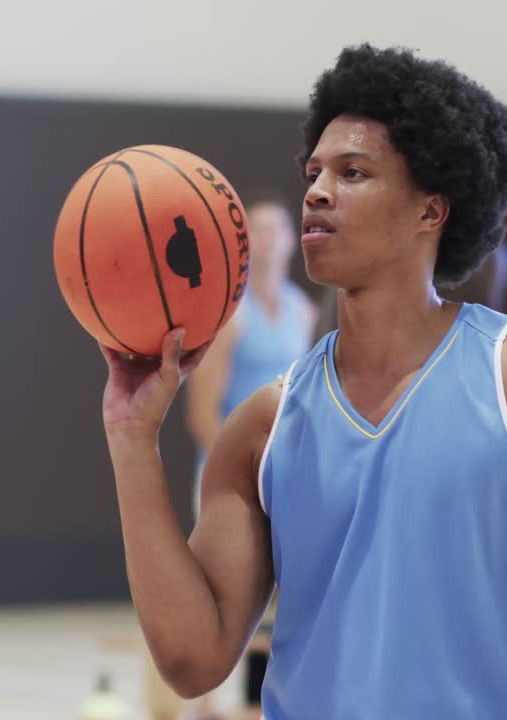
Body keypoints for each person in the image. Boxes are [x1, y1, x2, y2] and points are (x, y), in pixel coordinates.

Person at [96, 44, 507, 719]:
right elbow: (191, 658)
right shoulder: (264, 427)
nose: (317, 191)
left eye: (353, 172)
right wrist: (131, 439)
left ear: (430, 211)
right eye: (314, 172)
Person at [182, 192, 315, 718]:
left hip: (285, 471)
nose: (266, 239)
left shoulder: (303, 310)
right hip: (233, 475)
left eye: (275, 228)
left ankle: (264, 700)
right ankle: (204, 703)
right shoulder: (230, 317)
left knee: (281, 593)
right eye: (254, 229)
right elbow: (202, 412)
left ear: (290, 239)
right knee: (218, 589)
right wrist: (236, 471)